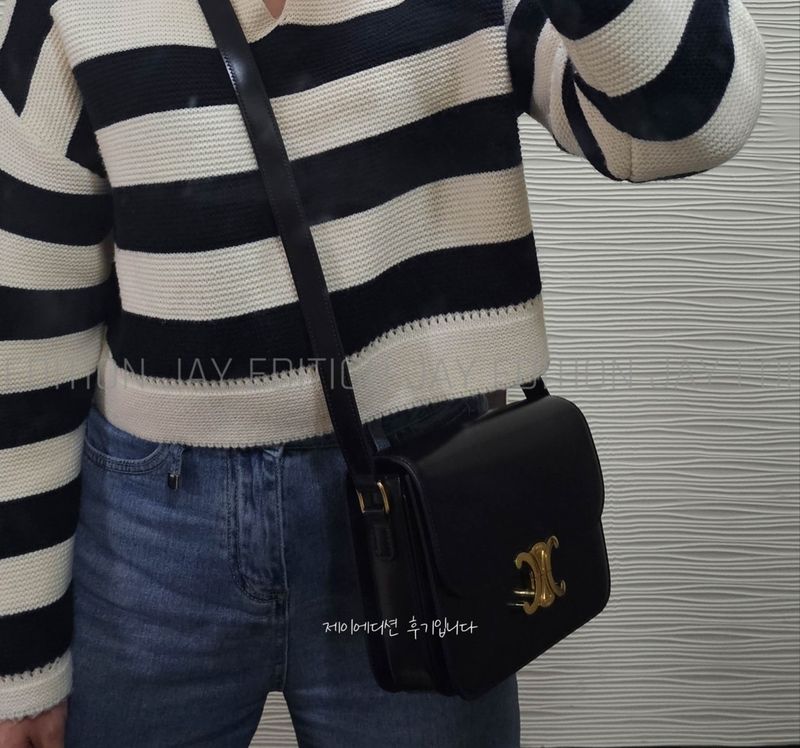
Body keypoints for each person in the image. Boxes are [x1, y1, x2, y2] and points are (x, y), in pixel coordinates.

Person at [0, 0, 766, 745]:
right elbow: (30, 332)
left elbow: (691, 122)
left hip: (431, 495)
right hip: (152, 529)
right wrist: (21, 661)